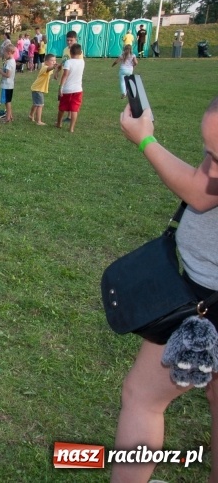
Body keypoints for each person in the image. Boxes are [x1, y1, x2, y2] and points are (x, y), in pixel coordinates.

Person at [112, 96, 218, 483]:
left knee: (143, 399)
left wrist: (145, 140)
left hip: (204, 297)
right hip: (204, 289)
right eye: (209, 155)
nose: (212, 168)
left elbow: (200, 192)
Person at [56, 43, 85, 133]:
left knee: (62, 107)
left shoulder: (68, 62)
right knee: (74, 109)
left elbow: (65, 75)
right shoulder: (82, 62)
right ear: (80, 53)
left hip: (67, 89)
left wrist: (61, 87)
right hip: (78, 89)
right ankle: (71, 128)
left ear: (70, 52)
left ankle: (59, 123)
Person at [29, 54, 57, 126]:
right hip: (37, 89)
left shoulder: (48, 67)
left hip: (37, 88)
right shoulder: (44, 67)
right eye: (52, 60)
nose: (54, 62)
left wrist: (57, 68)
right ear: (46, 62)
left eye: (55, 60)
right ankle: (39, 121)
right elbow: (49, 69)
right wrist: (54, 66)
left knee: (36, 104)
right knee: (40, 105)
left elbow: (52, 69)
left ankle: (31, 115)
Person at [0, 44, 16, 123]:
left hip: (7, 85)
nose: (4, 54)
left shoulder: (10, 62)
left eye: (4, 53)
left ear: (9, 52)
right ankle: (10, 116)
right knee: (7, 101)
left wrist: (0, 71)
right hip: (9, 85)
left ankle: (8, 118)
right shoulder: (11, 61)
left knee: (7, 102)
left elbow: (8, 75)